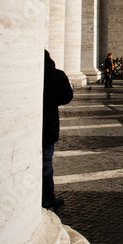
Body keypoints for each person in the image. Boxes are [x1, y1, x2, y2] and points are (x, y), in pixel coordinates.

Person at [42, 50, 73, 210]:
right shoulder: (58, 75)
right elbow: (68, 97)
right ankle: (47, 198)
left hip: (32, 126)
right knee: (46, 162)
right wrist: (53, 102)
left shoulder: (34, 75)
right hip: (49, 126)